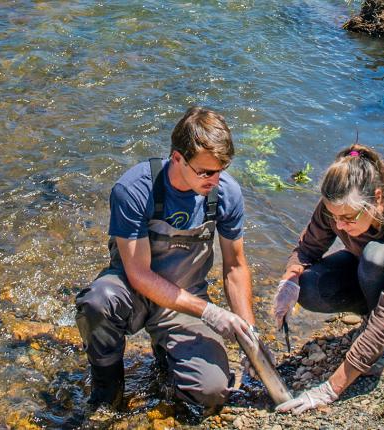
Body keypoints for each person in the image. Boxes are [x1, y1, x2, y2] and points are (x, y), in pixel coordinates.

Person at [75, 106, 263, 413]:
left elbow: (235, 266)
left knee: (212, 392)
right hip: (133, 292)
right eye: (206, 172)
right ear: (177, 158)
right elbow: (138, 274)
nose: (215, 180)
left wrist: (249, 335)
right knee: (97, 302)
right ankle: (107, 392)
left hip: (184, 302)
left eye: (221, 170)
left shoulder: (225, 193)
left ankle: (167, 359)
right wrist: (212, 313)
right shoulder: (135, 189)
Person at [273, 144, 384, 414]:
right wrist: (288, 282)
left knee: (375, 256)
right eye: (334, 218)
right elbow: (307, 249)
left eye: (347, 218)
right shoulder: (338, 204)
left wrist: (331, 388)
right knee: (309, 286)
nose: (339, 226)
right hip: (369, 270)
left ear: (377, 198)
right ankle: (370, 321)